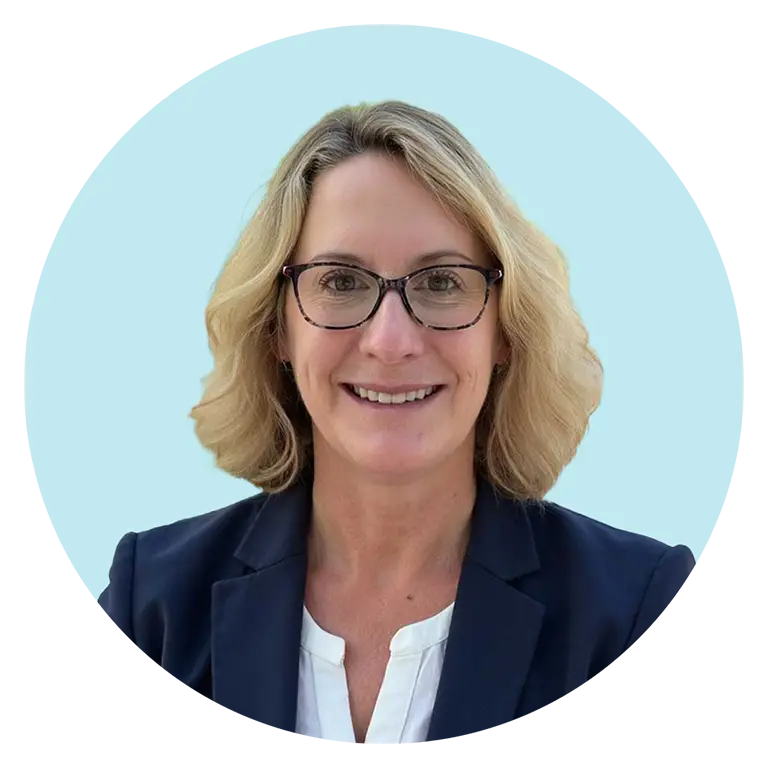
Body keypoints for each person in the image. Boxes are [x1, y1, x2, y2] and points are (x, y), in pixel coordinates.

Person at [96, 100, 698, 744]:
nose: (390, 340)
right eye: (340, 281)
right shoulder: (152, 603)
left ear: (506, 331)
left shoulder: (638, 610)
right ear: (277, 327)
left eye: (441, 282)